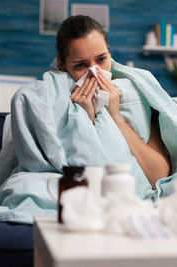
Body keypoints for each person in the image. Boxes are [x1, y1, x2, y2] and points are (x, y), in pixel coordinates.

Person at [55, 15, 170, 189]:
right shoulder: (53, 98)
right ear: (62, 65)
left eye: (101, 59)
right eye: (81, 65)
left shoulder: (133, 95)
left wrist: (116, 117)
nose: (94, 72)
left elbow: (158, 177)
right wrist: (84, 120)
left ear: (109, 53)